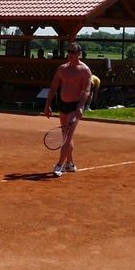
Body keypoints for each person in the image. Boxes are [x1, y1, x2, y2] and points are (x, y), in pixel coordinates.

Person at [43, 42, 92, 177]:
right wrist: (47, 105)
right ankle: (70, 164)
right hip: (63, 105)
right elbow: (53, 87)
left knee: (67, 136)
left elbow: (87, 91)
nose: (70, 54)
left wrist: (81, 106)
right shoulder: (62, 69)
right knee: (66, 136)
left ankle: (59, 164)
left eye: (73, 52)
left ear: (79, 54)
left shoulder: (84, 70)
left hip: (75, 106)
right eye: (69, 51)